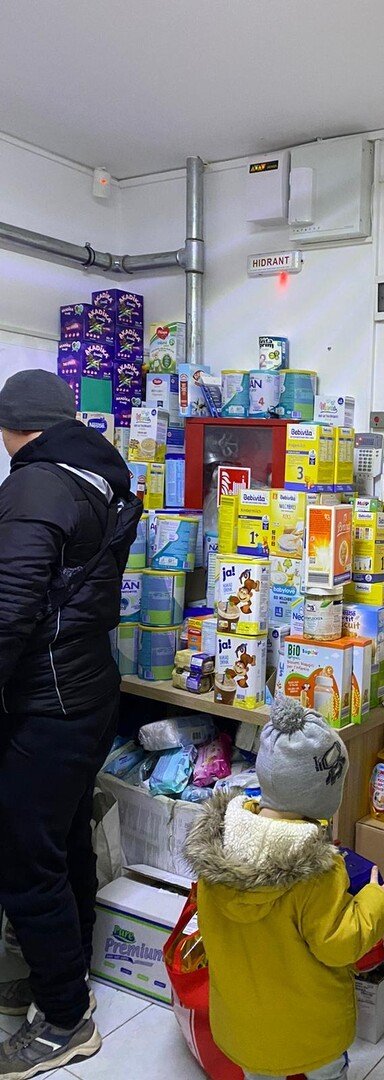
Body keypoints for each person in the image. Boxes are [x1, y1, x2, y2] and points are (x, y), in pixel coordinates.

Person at [0, 369, 141, 1078]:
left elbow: (10, 607)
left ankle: (64, 1019)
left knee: (24, 859)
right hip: (88, 692)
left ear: (13, 427)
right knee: (62, 843)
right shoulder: (98, 477)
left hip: (47, 702)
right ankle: (66, 976)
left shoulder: (35, 485)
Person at [184, 698, 384, 1080]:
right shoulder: (315, 870)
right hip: (310, 1033)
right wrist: (376, 900)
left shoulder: (218, 850)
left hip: (242, 1029)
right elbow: (339, 944)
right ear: (324, 797)